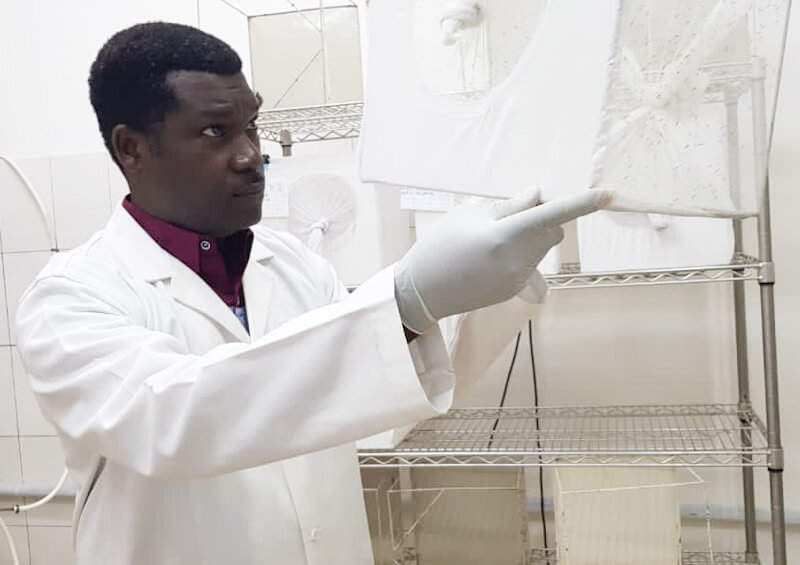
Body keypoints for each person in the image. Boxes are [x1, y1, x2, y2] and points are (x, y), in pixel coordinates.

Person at [15, 22, 612, 565]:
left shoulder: (294, 265)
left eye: (251, 125)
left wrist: (498, 275)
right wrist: (405, 301)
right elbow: (174, 419)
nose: (252, 157)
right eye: (215, 132)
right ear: (132, 148)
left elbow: (370, 404)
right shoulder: (72, 298)